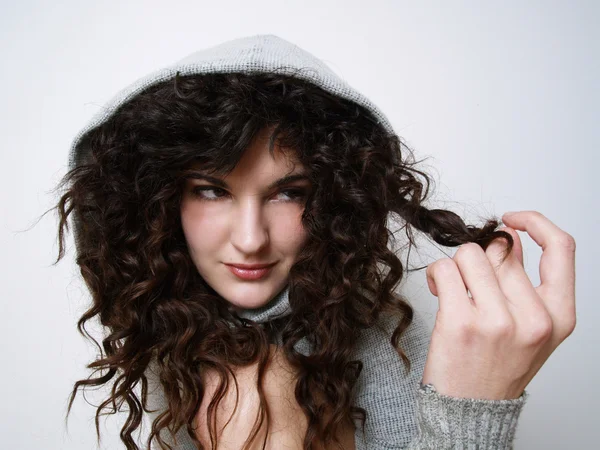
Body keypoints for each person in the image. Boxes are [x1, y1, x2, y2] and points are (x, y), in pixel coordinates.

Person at [54, 34, 577, 450]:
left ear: (334, 198)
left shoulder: (414, 341)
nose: (251, 239)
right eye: (212, 190)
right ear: (158, 198)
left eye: (289, 193)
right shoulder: (172, 326)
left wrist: (472, 411)